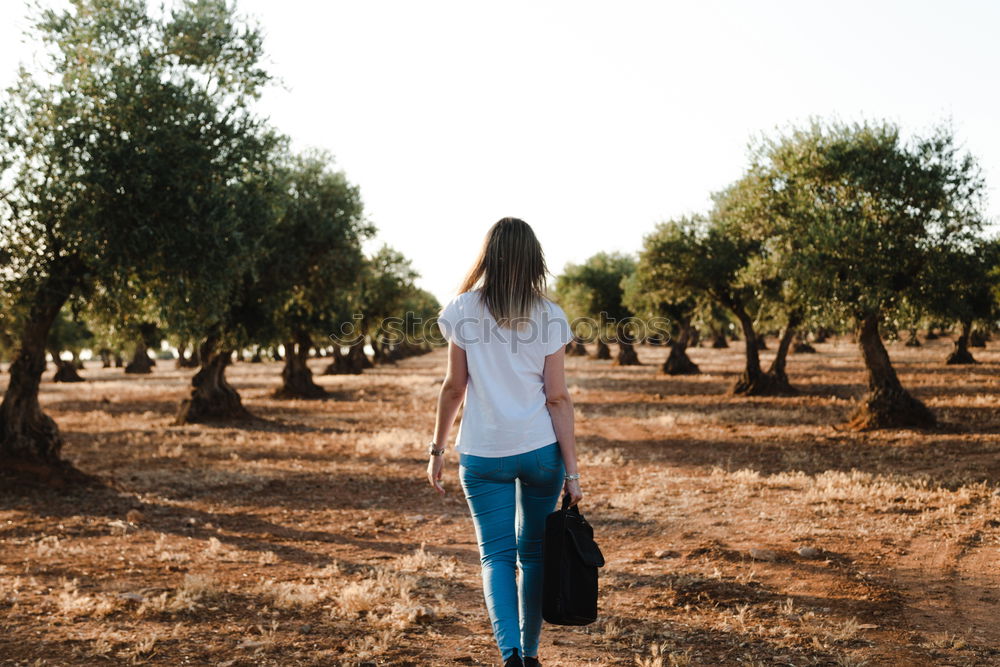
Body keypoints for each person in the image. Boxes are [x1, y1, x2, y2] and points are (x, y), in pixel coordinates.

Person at [427, 217, 583, 667]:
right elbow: (557, 398)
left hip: (482, 453)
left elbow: (453, 387)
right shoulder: (551, 316)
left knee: (496, 557)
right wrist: (572, 472)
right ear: (535, 259)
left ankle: (511, 655)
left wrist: (437, 449)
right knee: (533, 557)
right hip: (540, 453)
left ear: (488, 257)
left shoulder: (462, 309)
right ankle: (531, 655)